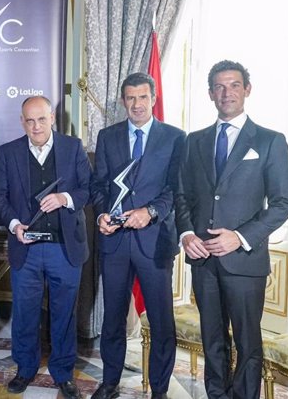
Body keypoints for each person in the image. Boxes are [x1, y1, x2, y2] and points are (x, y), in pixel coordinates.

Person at [175, 60, 288, 399]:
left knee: (247, 342)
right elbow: (183, 196)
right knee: (212, 340)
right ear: (211, 93)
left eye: (234, 85)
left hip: (244, 261)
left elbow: (284, 204)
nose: (227, 93)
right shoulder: (194, 141)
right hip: (203, 261)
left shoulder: (271, 141)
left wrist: (238, 237)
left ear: (247, 90)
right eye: (220, 87)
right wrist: (187, 235)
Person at [90, 73, 185, 399]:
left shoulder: (175, 137)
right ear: (123, 101)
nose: (137, 104)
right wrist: (103, 213)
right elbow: (99, 185)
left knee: (160, 321)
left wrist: (151, 212)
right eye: (130, 98)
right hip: (115, 242)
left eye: (143, 97)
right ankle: (110, 382)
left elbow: (176, 190)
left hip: (154, 240)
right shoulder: (107, 136)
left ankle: (159, 389)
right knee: (113, 317)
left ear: (153, 97)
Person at [0, 96, 91, 399]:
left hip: (65, 248)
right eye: (29, 120)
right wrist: (14, 226)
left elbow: (88, 189)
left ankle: (63, 374)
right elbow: (1, 198)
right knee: (25, 313)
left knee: (64, 314)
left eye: (41, 119)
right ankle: (25, 369)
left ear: (52, 118)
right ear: (22, 122)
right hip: (27, 248)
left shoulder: (73, 148)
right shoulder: (8, 152)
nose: (36, 126)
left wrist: (65, 199)